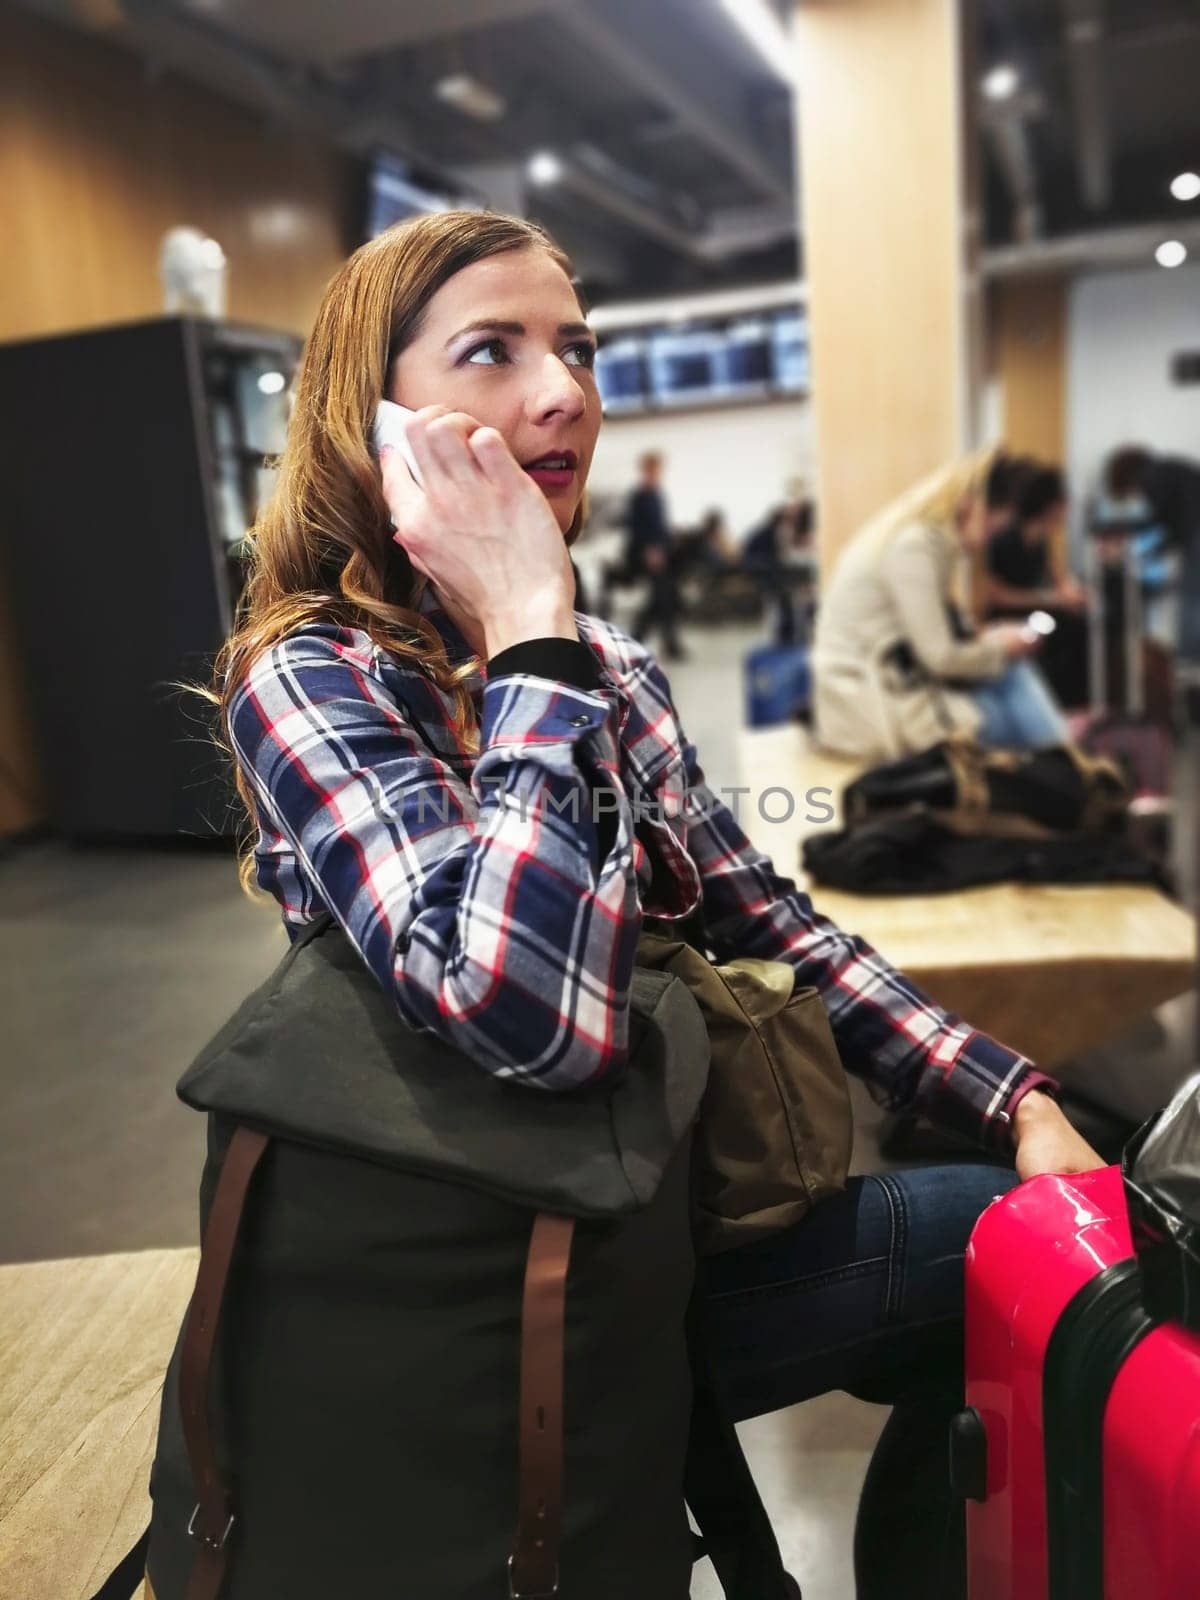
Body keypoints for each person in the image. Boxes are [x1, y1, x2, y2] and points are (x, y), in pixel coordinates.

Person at [213, 213, 1102, 1599]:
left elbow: (765, 921)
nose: (565, 390)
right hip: (493, 1284)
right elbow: (524, 1017)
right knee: (1006, 1260)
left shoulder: (605, 665)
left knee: (1042, 1248)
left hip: (655, 1212)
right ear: (369, 420)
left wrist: (1014, 1098)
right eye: (492, 352)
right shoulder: (314, 674)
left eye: (576, 348)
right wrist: (529, 636)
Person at [812, 449, 1071, 759]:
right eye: (992, 527)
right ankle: (1073, 771)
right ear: (971, 505)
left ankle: (1069, 768)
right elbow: (940, 658)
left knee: (1009, 684)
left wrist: (986, 641)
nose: (990, 538)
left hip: (875, 691)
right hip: (869, 708)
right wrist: (1003, 648)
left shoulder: (919, 540)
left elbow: (931, 642)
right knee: (1009, 693)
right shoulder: (915, 547)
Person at [983, 465, 1090, 709]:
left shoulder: (1041, 540)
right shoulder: (1006, 539)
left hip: (1037, 612)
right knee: (1057, 630)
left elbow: (1060, 580)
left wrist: (1074, 596)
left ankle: (1076, 708)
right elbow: (997, 595)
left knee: (1077, 625)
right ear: (1051, 506)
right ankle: (1060, 707)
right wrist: (1054, 599)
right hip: (1011, 617)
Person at [1106, 444, 1200, 663]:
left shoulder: (1152, 476)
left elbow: (1156, 521)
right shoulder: (1170, 469)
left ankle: (1188, 664)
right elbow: (1173, 529)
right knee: (1191, 599)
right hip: (1193, 537)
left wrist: (1123, 537)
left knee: (1191, 602)